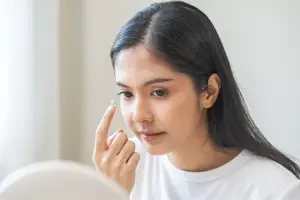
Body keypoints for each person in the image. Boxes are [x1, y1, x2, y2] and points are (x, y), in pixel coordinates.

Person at [93, 1, 300, 199]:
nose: (139, 115)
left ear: (209, 91)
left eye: (159, 92)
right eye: (127, 94)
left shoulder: (277, 190)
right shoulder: (123, 169)